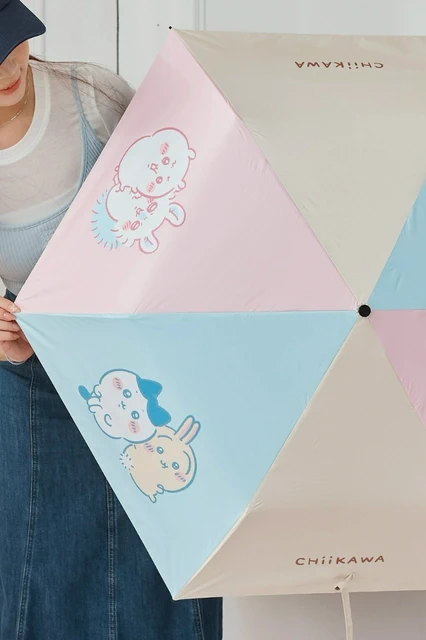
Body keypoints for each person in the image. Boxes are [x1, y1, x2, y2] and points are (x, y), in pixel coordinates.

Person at [0, 2, 223, 638]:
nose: (7, 67)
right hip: (33, 371)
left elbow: (193, 199)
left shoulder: (92, 98)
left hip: (149, 359)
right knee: (41, 567)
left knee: (168, 554)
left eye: (12, 42)